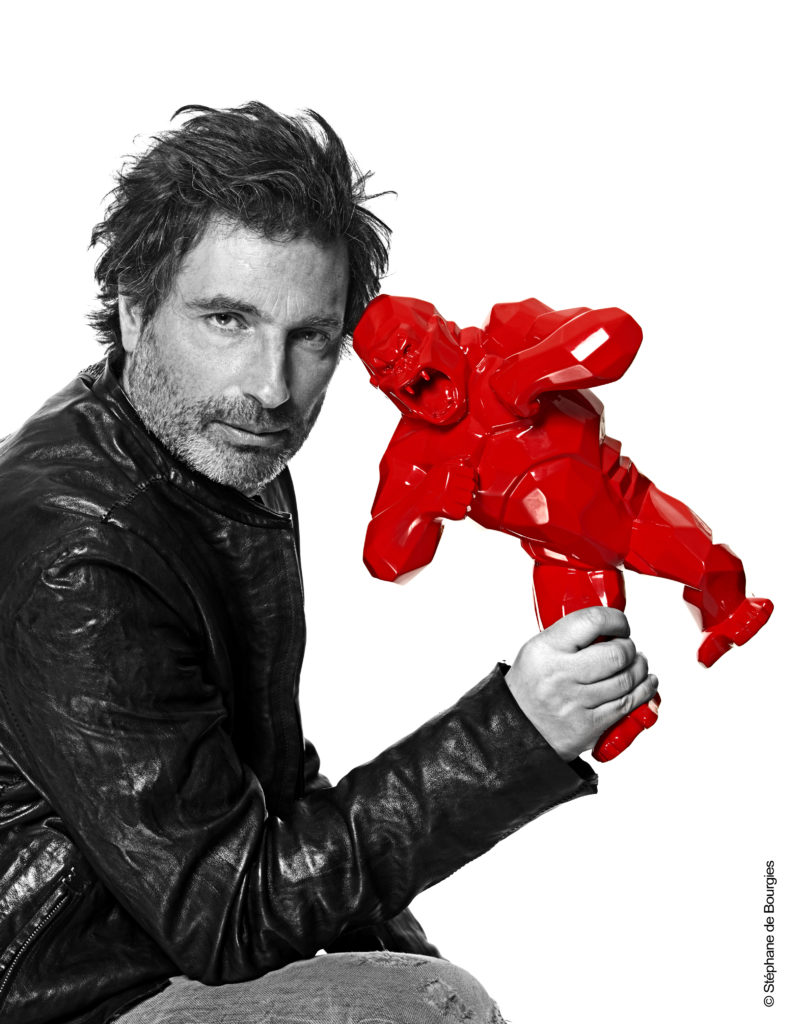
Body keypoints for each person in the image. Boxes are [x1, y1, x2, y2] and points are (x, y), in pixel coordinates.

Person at [0, 102, 657, 1024]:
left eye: (310, 336)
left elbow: (269, 788)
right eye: (226, 320)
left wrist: (402, 959)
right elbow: (231, 912)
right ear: (133, 311)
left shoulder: (216, 456)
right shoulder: (78, 551)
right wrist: (514, 733)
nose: (272, 388)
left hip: (159, 950)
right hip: (65, 996)